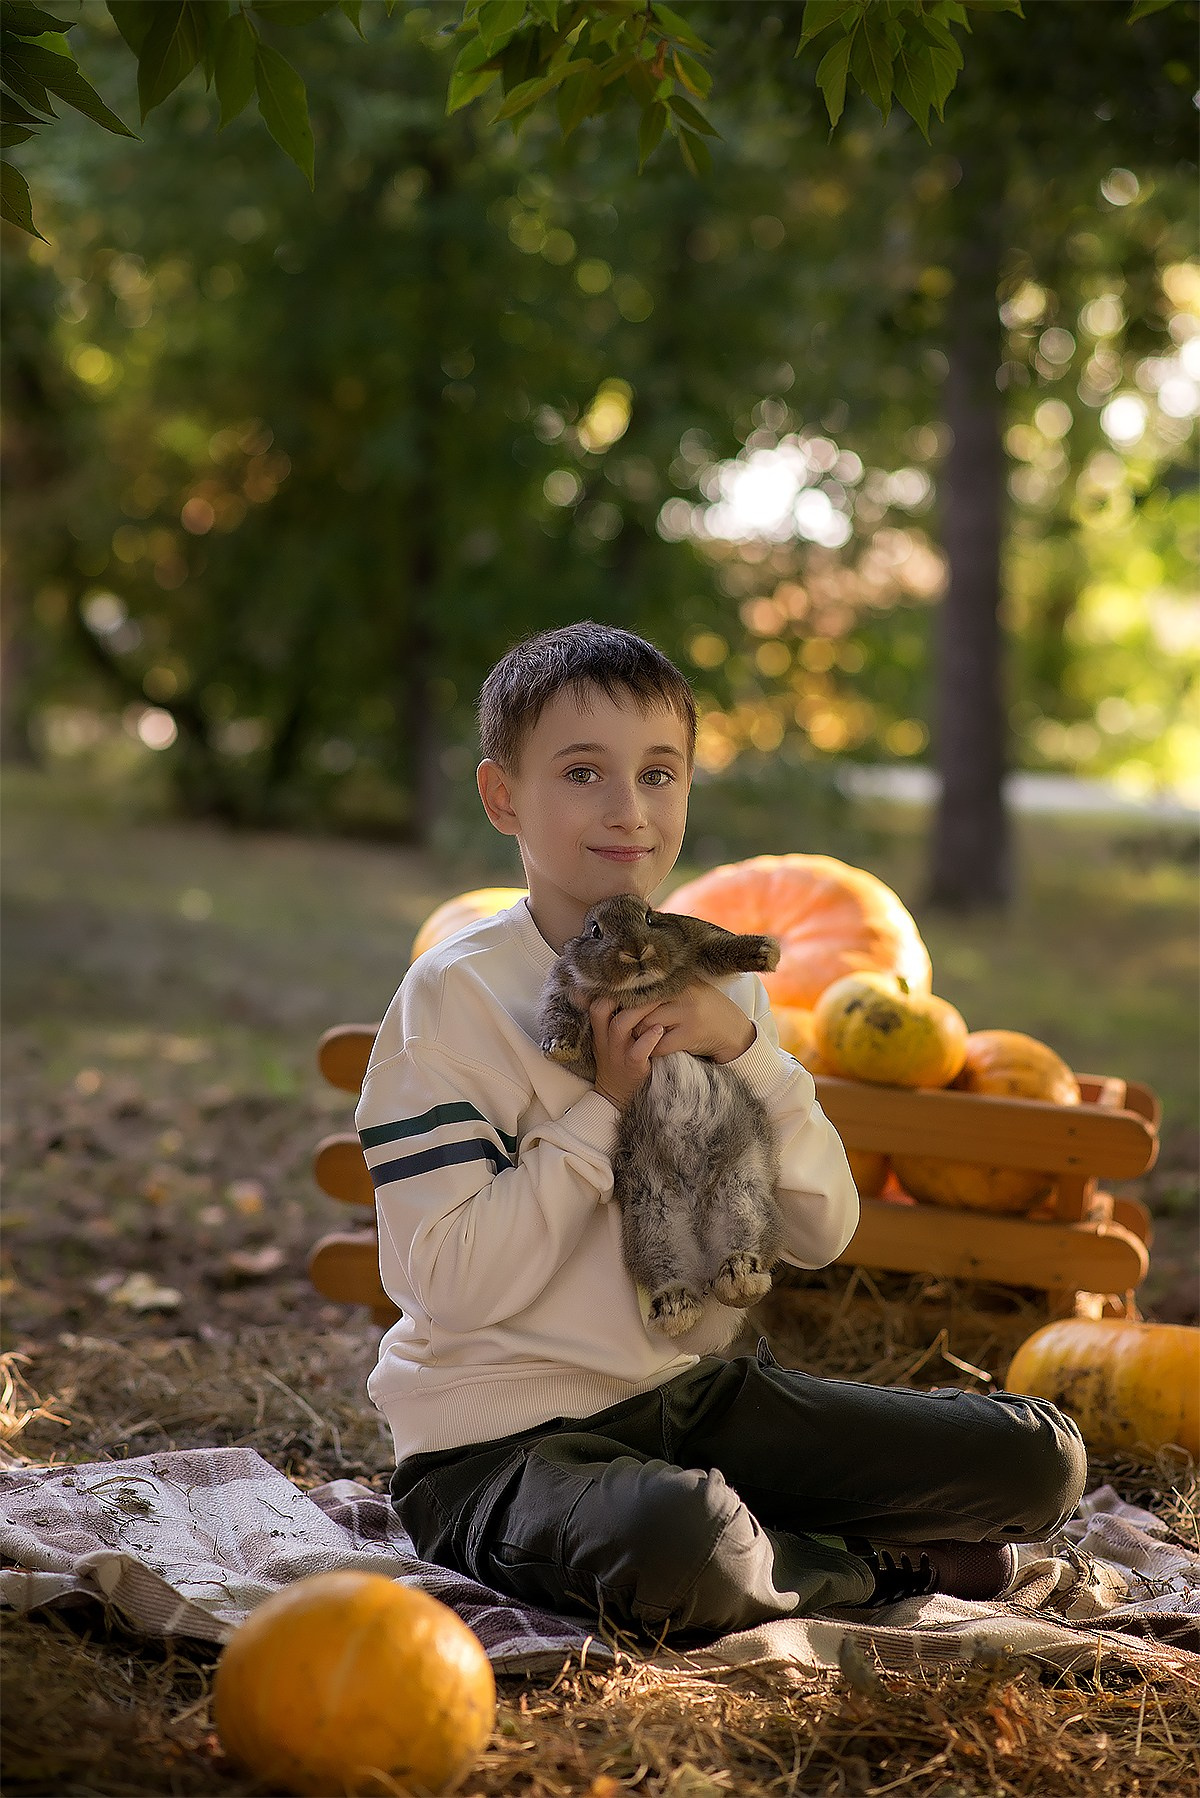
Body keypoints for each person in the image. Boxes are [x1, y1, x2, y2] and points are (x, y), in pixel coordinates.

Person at [359, 622, 1087, 1638]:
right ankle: (867, 1567)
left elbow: (823, 1229)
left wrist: (747, 1050)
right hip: (502, 1446)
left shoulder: (723, 980)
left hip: (699, 1398)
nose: (628, 810)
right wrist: (603, 1108)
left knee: (1039, 1458)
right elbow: (452, 1283)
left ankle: (769, 1536)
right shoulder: (453, 998)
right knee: (681, 1539)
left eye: (659, 773)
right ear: (503, 797)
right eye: (582, 773)